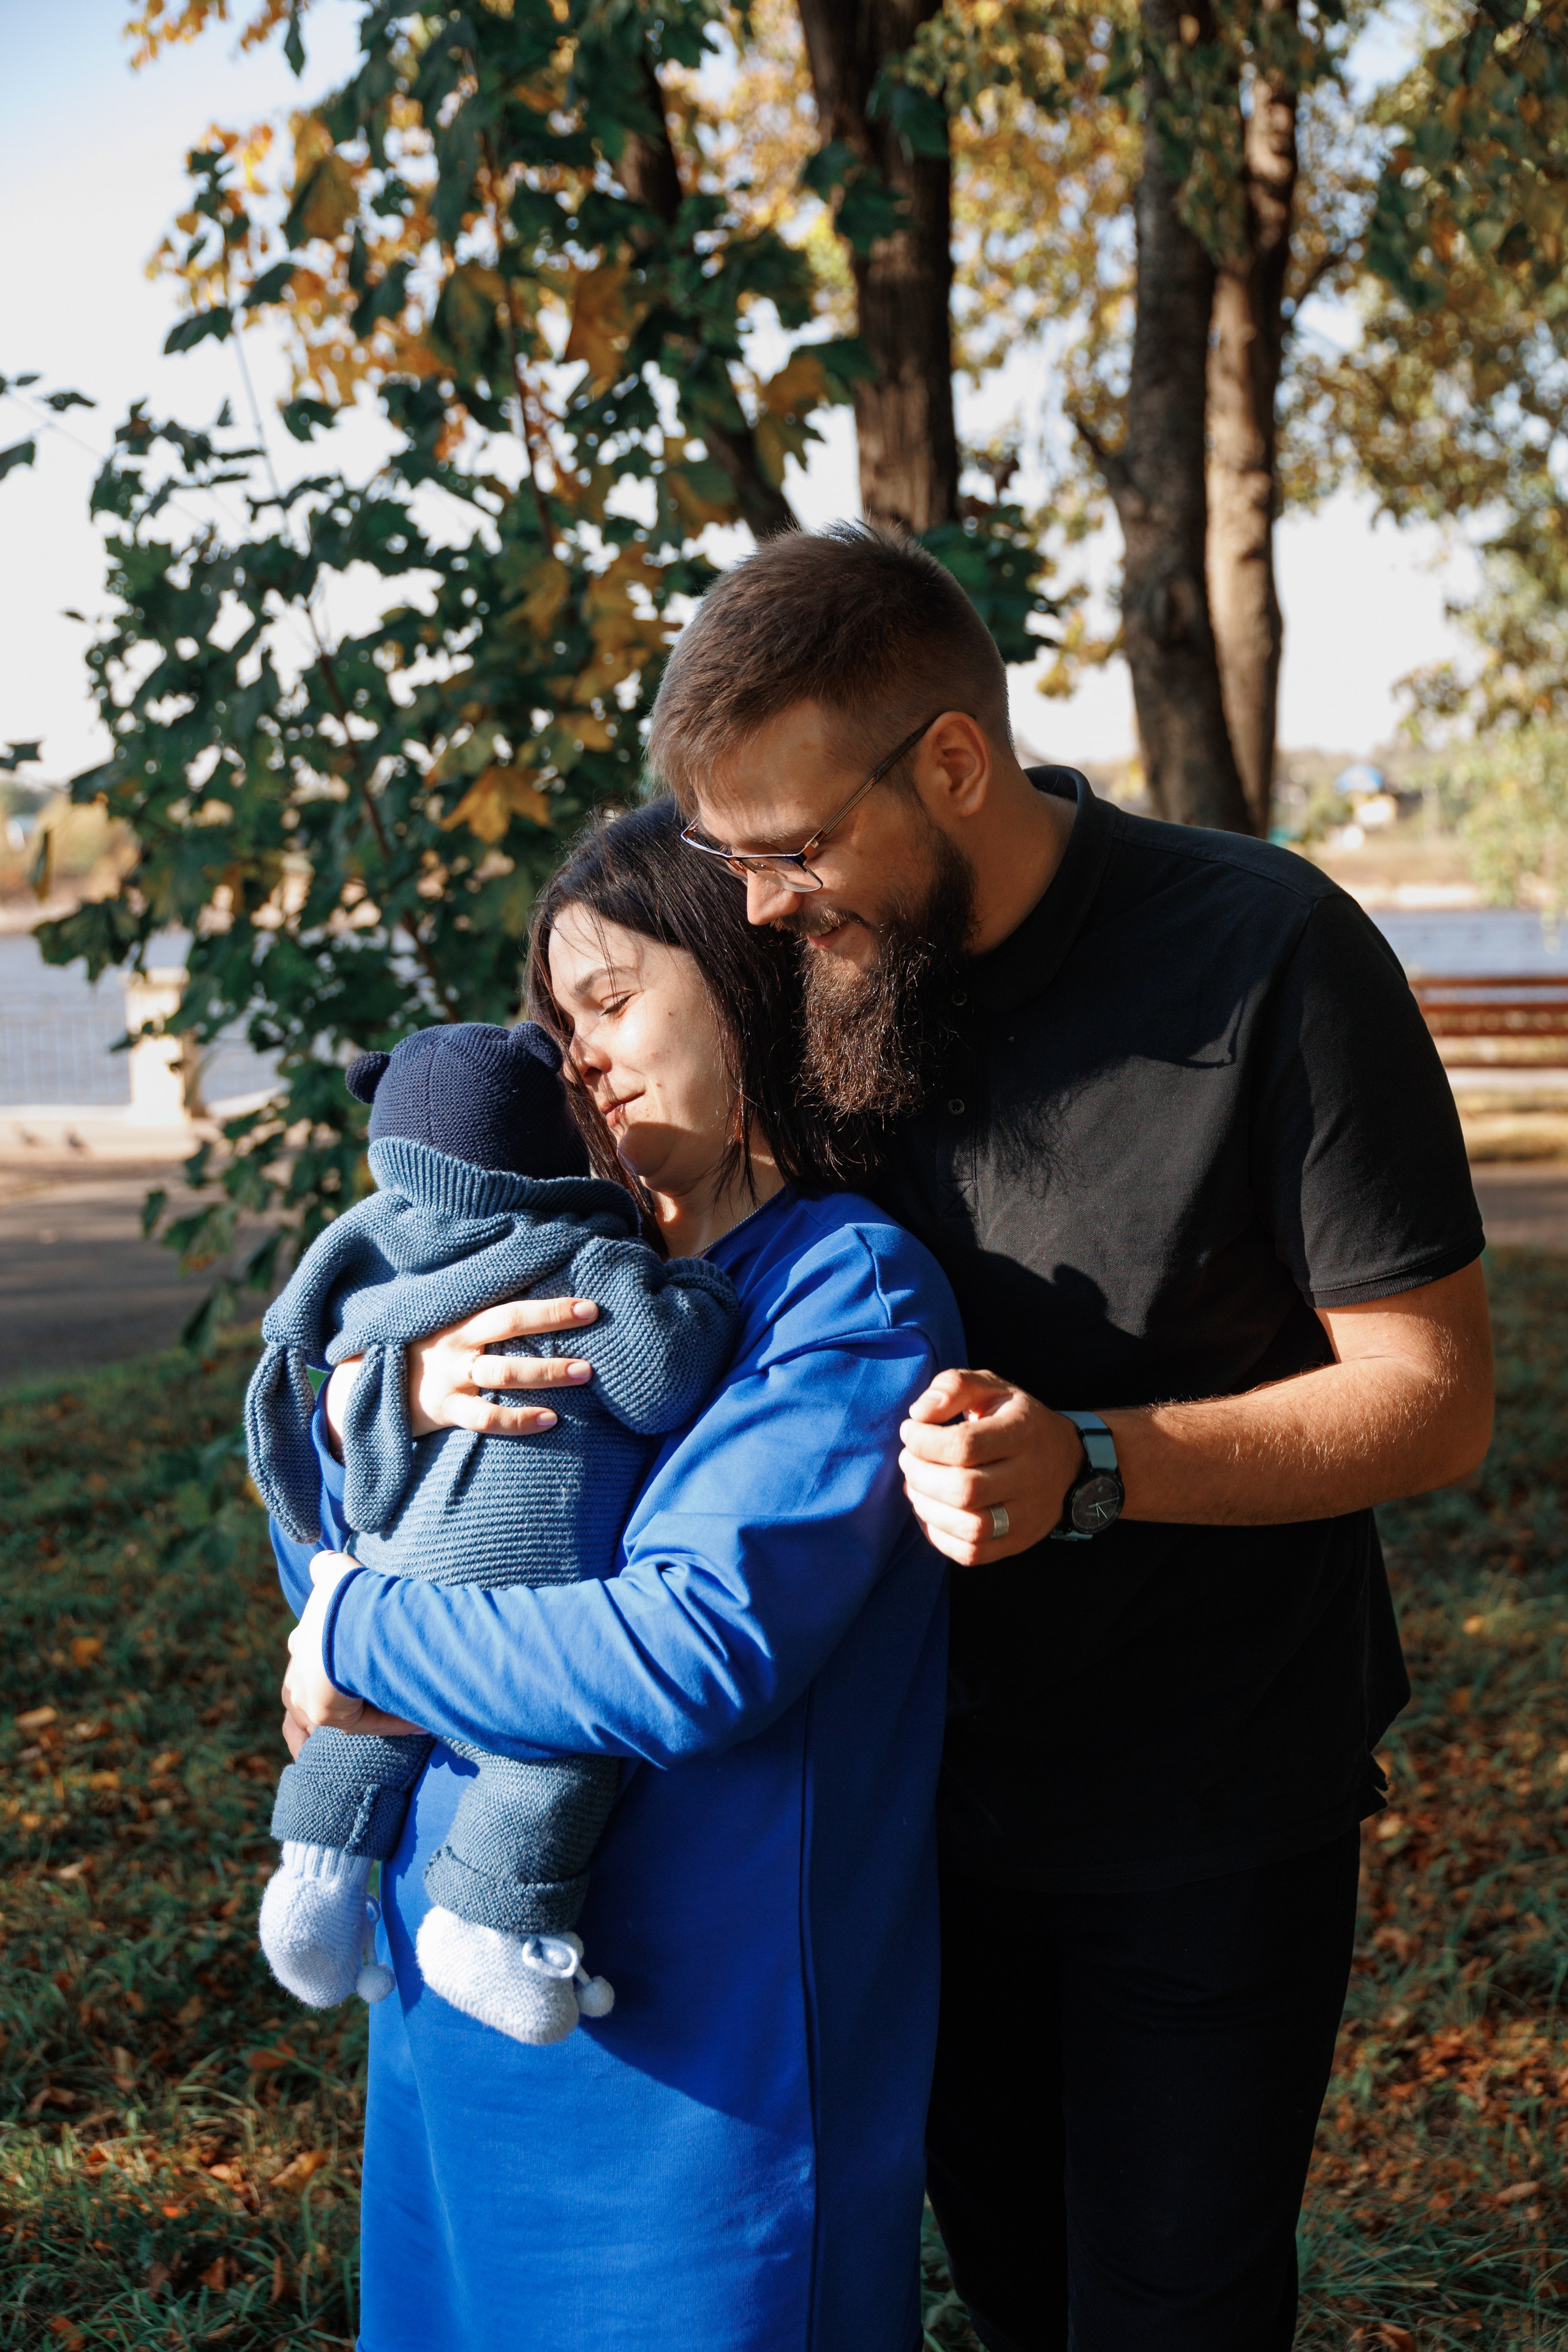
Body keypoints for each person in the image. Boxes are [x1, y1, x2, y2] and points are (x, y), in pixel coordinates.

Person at [641, 523, 1494, 2352]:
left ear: (953, 762)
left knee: (1171, 2317)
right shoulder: (795, 964)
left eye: (792, 850)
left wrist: (1093, 1464)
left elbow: (1432, 1395)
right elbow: (566, 1148)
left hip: (1204, 1809)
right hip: (892, 1815)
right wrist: (412, 1384)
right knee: (1018, 2302)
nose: (761, 907)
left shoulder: (1267, 951)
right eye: (730, 860)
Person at [273, 799, 967, 2352]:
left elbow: (688, 1649)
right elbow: (317, 1539)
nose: (574, 1058)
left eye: (610, 1001)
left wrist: (362, 1635)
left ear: (750, 992)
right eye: (553, 1022)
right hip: (453, 2007)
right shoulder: (510, 1260)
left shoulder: (841, 1288)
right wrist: (380, 1403)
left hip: (703, 2061)